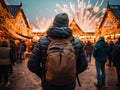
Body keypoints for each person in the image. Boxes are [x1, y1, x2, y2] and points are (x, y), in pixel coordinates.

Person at [27, 13, 88, 90]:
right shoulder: (76, 42)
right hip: (68, 84)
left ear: (54, 23)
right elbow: (83, 64)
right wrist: (71, 73)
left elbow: (31, 64)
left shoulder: (42, 41)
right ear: (67, 24)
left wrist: (45, 75)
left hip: (49, 84)